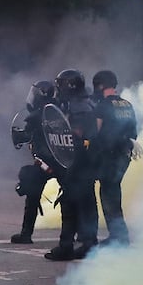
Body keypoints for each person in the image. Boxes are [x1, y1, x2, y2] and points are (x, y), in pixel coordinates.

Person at [45, 69, 100, 262]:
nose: (58, 88)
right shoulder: (88, 104)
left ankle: (66, 246)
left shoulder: (78, 108)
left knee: (69, 205)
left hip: (79, 164)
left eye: (61, 84)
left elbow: (74, 137)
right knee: (87, 205)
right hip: (88, 164)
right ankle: (89, 244)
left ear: (69, 85)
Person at [92, 70, 137, 247]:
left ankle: (119, 236)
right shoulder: (127, 104)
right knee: (114, 191)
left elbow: (95, 132)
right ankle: (119, 235)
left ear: (101, 86)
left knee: (108, 194)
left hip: (108, 156)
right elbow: (134, 131)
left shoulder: (102, 106)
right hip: (124, 155)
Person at [10, 79, 57, 245]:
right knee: (73, 197)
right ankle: (81, 235)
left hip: (44, 162)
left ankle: (26, 234)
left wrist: (18, 135)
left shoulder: (36, 116)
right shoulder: (59, 110)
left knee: (31, 194)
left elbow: (26, 135)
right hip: (62, 162)